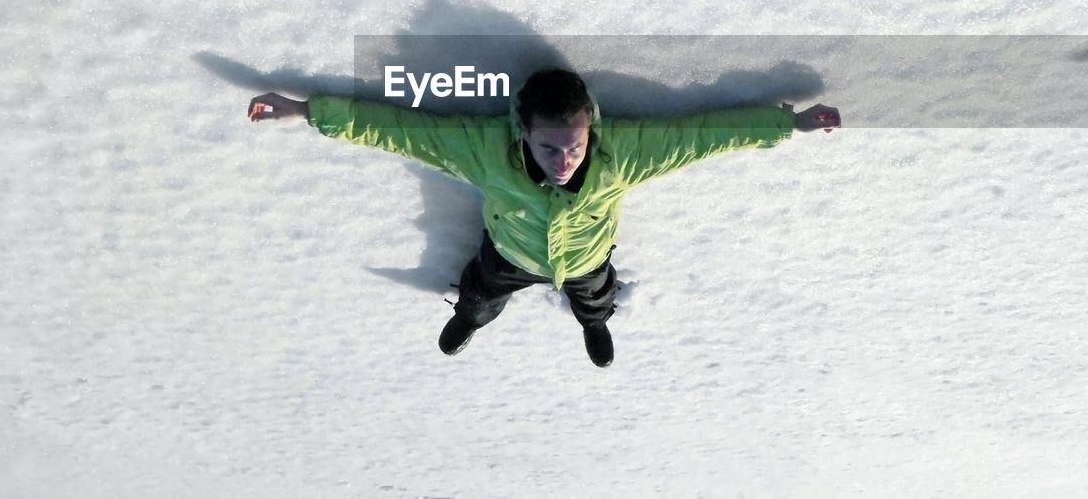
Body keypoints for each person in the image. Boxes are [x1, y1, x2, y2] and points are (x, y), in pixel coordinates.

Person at [248, 69, 840, 368]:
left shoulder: (624, 154)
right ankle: (473, 318)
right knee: (480, 290)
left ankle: (594, 321)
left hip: (587, 257)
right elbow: (400, 129)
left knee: (595, 296)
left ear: (591, 129)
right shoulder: (485, 150)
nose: (564, 161)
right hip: (509, 255)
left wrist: (790, 124)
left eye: (575, 147)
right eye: (550, 148)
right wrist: (304, 110)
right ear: (523, 132)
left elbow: (705, 135)